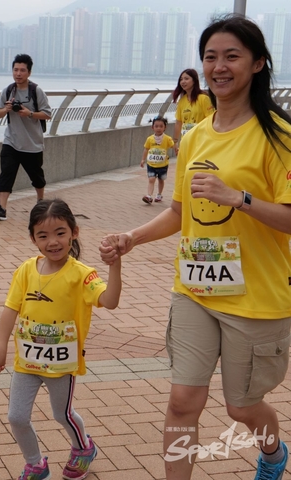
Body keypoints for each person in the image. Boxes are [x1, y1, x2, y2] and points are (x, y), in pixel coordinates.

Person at [100, 14, 291, 480]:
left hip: (256, 297)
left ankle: (272, 453)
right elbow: (179, 212)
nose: (218, 67)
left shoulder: (279, 136)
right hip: (195, 289)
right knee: (183, 401)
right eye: (210, 57)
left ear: (258, 64)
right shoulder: (195, 135)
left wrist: (239, 199)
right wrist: (132, 238)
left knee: (242, 407)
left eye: (232, 56)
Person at [0, 199, 122, 480]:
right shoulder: (26, 270)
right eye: (43, 235)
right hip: (27, 362)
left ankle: (83, 448)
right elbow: (10, 309)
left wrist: (115, 266)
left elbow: (109, 300)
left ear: (74, 232)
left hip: (61, 364)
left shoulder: (82, 275)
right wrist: (0, 347)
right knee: (16, 416)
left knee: (62, 414)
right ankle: (35, 464)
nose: (53, 242)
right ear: (33, 238)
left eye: (60, 233)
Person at [0, 53, 52, 221]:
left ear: (29, 72)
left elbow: (47, 114)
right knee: (6, 174)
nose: (18, 73)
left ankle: (40, 201)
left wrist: (29, 113)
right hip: (11, 141)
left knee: (37, 177)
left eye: (22, 70)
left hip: (32, 144)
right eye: (15, 70)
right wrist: (7, 109)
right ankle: (1, 209)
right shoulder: (8, 91)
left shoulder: (36, 91)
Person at [172, 68, 214, 155]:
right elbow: (178, 122)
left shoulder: (203, 98)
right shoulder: (182, 101)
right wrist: (175, 141)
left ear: (194, 81)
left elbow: (211, 119)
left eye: (186, 79)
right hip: (186, 141)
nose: (183, 82)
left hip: (201, 142)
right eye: (181, 79)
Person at [139, 116, 175, 204]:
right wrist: (143, 159)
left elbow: (173, 146)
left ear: (165, 127)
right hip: (151, 164)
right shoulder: (149, 139)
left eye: (161, 126)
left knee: (161, 180)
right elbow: (146, 149)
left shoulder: (167, 139)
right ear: (153, 127)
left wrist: (177, 150)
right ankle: (149, 196)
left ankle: (159, 194)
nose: (158, 128)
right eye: (156, 126)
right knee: (151, 179)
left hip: (163, 165)